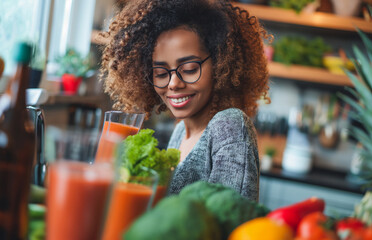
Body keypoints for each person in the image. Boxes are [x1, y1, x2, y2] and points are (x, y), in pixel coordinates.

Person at [100, 0, 270, 201]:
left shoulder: (229, 126)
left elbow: (230, 224)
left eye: (189, 69)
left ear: (220, 64)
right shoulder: (180, 132)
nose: (173, 84)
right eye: (161, 72)